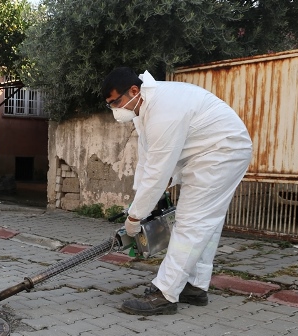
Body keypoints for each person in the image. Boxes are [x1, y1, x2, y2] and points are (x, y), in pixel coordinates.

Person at [101, 67, 252, 315]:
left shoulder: (163, 109)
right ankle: (194, 286)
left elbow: (158, 173)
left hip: (222, 152)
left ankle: (165, 294)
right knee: (207, 224)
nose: (115, 110)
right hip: (209, 152)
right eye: (110, 105)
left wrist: (135, 217)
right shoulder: (142, 109)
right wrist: (137, 204)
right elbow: (147, 160)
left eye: (116, 102)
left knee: (191, 222)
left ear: (134, 90)